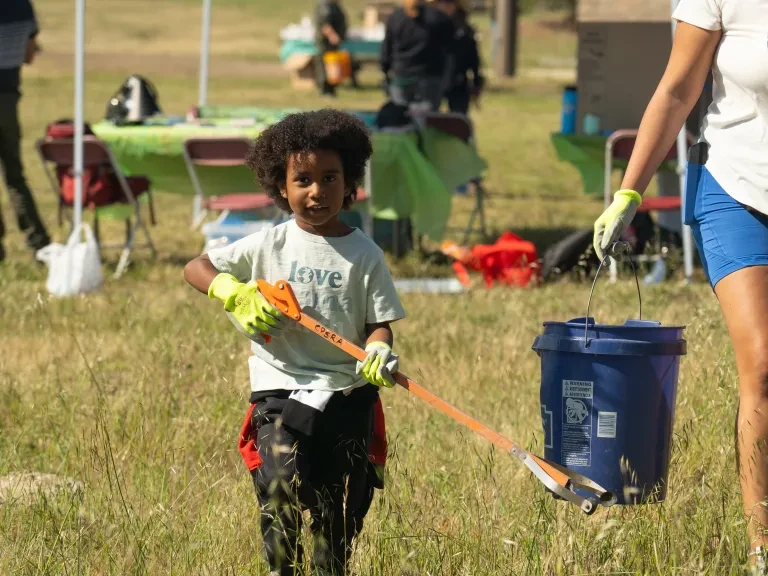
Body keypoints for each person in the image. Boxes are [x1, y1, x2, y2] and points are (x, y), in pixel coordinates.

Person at [184, 109, 406, 576]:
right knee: (279, 486)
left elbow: (379, 323)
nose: (317, 191)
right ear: (280, 187)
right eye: (302, 179)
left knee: (337, 512)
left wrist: (379, 349)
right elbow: (197, 267)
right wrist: (233, 290)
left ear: (349, 184)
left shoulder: (365, 254)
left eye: (330, 178)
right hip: (279, 389)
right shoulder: (268, 243)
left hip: (347, 392)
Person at [592, 1, 768, 572]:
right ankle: (762, 547)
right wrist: (629, 192)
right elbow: (676, 90)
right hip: (737, 184)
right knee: (763, 365)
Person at [0, 0, 50, 262]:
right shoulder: (22, 6)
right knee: (15, 176)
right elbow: (28, 55)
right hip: (8, 99)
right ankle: (38, 242)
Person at [380, 0, 455, 112]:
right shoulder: (439, 17)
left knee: (401, 119)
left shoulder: (395, 17)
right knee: (427, 119)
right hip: (430, 76)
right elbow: (450, 50)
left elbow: (386, 49)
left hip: (401, 76)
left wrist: (385, 72)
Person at [438, 0, 484, 115]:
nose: (443, 6)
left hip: (458, 82)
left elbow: (473, 58)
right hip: (434, 80)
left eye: (447, 3)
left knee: (458, 121)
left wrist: (476, 81)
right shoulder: (432, 25)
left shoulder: (464, 29)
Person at [314, 0, 349, 98]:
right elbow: (325, 25)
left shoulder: (334, 5)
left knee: (333, 66)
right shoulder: (326, 6)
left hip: (331, 43)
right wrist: (333, 36)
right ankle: (326, 90)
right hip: (326, 43)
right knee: (325, 66)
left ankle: (331, 89)